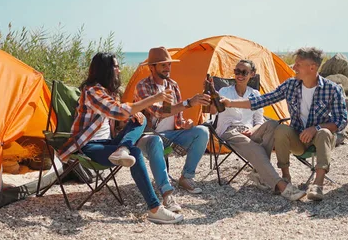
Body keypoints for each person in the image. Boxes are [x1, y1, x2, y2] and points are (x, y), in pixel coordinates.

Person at [58, 52, 183, 224]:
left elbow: (119, 115)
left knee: (141, 118)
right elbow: (117, 111)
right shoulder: (92, 91)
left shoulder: (108, 92)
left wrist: (133, 116)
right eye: (115, 66)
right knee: (136, 153)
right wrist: (154, 99)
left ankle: (123, 148)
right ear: (105, 70)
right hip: (88, 146)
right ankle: (154, 209)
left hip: (111, 143)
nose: (118, 70)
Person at [221, 47, 348, 201]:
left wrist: (316, 128)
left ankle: (318, 184)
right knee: (280, 129)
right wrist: (231, 103)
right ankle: (285, 176)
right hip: (298, 139)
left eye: (298, 65)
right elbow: (263, 100)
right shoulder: (291, 85)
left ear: (312, 68)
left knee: (324, 132)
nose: (293, 67)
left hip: (321, 139)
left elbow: (341, 120)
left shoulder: (332, 89)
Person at [214, 60, 306, 201]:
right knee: (255, 148)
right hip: (229, 131)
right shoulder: (224, 92)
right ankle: (281, 186)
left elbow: (259, 120)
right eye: (237, 71)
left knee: (273, 125)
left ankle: (259, 171)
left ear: (252, 74)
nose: (239, 75)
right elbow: (215, 110)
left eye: (244, 72)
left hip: (249, 131)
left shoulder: (255, 94)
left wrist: (252, 130)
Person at [135, 47, 211, 194]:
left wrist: (184, 123)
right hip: (150, 136)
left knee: (202, 131)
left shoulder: (173, 85)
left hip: (171, 135)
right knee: (156, 141)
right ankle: (165, 190)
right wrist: (188, 103)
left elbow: (177, 116)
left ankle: (186, 177)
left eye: (169, 64)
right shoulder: (143, 86)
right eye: (163, 64)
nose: (167, 68)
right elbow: (158, 112)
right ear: (152, 67)